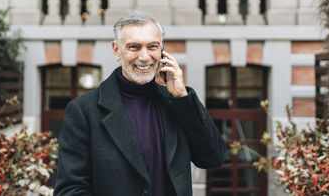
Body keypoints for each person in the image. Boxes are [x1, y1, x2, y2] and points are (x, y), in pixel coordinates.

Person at [53, 11, 225, 196]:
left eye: (152, 46)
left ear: (162, 50)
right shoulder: (83, 110)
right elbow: (69, 190)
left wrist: (183, 98)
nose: (144, 57)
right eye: (134, 47)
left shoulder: (178, 102)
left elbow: (213, 158)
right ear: (117, 50)